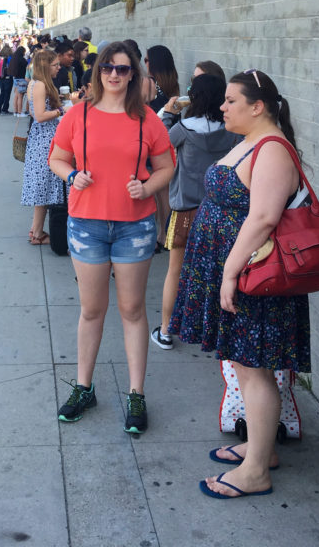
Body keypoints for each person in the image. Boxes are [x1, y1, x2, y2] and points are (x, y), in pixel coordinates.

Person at [169, 68, 305, 498]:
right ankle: (260, 451)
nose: (222, 107)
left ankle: (256, 471)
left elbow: (263, 217)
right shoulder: (251, 143)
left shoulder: (273, 150)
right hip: (237, 268)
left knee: (254, 367)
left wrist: (229, 273)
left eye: (231, 101)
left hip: (251, 274)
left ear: (257, 106)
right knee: (245, 365)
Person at [48, 41, 175, 434]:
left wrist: (147, 186)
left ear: (134, 74)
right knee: (91, 310)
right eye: (108, 68)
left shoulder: (146, 120)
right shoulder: (78, 116)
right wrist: (72, 176)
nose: (115, 75)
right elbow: (57, 158)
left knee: (133, 310)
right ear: (97, 71)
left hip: (133, 226)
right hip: (86, 223)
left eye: (123, 69)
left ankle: (136, 393)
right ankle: (84, 387)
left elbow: (166, 166)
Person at [151, 73, 240, 349]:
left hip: (185, 212)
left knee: (175, 272)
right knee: (218, 275)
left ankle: (166, 331)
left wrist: (168, 112)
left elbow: (158, 141)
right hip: (218, 214)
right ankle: (214, 332)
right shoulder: (232, 132)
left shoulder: (184, 127)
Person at [21, 49, 66, 245]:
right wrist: (60, 110)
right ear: (45, 66)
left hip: (41, 138)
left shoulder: (34, 83)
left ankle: (36, 231)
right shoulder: (40, 85)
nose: (58, 68)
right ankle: (37, 233)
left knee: (43, 187)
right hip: (45, 139)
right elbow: (39, 115)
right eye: (55, 64)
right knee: (44, 186)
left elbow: (33, 113)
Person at [144, 45, 181, 246]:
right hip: (169, 140)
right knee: (164, 192)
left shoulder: (150, 84)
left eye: (147, 60)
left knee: (158, 193)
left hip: (153, 142)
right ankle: (165, 233)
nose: (144, 64)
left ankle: (163, 235)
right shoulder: (172, 86)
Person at [8, 44, 29, 116]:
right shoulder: (23, 60)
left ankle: (15, 111)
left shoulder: (14, 59)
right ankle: (20, 112)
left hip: (16, 79)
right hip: (22, 79)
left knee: (16, 96)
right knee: (21, 96)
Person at [0, 44, 13, 115]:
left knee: (2, 93)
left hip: (0, 78)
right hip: (8, 78)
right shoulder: (9, 57)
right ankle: (5, 109)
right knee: (7, 94)